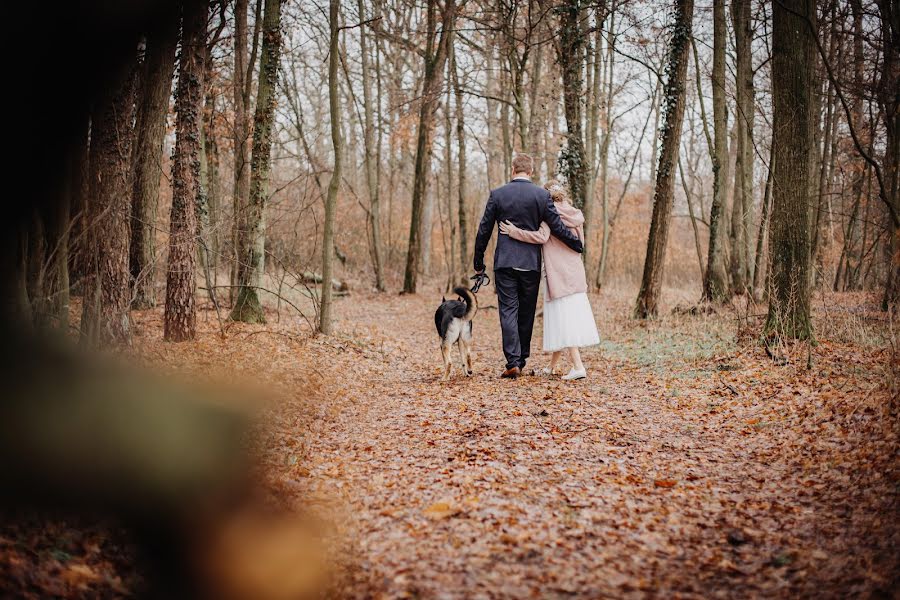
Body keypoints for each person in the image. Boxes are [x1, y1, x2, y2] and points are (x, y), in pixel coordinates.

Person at [473, 155, 584, 378]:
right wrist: (576, 244)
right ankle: (521, 357)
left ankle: (513, 361)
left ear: (512, 169)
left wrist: (478, 263)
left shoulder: (498, 194)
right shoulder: (541, 196)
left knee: (508, 311)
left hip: (504, 263)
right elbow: (557, 227)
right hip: (530, 265)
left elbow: (484, 230)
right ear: (531, 171)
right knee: (526, 313)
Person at [499, 180, 600, 380]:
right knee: (563, 317)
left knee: (565, 319)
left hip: (558, 274)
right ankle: (552, 366)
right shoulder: (575, 214)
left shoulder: (549, 215)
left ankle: (578, 366)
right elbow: (579, 244)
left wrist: (514, 232)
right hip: (575, 272)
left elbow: (541, 237)